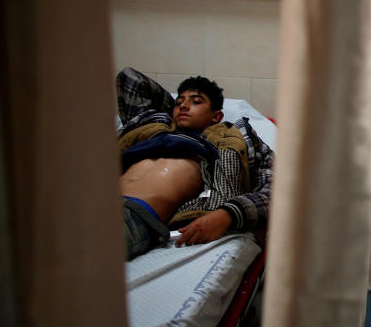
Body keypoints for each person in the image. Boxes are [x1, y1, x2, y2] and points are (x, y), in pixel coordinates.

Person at [117, 67, 273, 260]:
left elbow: (277, 189)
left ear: (216, 116)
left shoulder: (235, 139)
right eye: (179, 102)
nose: (183, 106)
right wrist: (173, 110)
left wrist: (230, 213)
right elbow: (129, 79)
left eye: (197, 102)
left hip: (135, 214)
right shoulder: (152, 127)